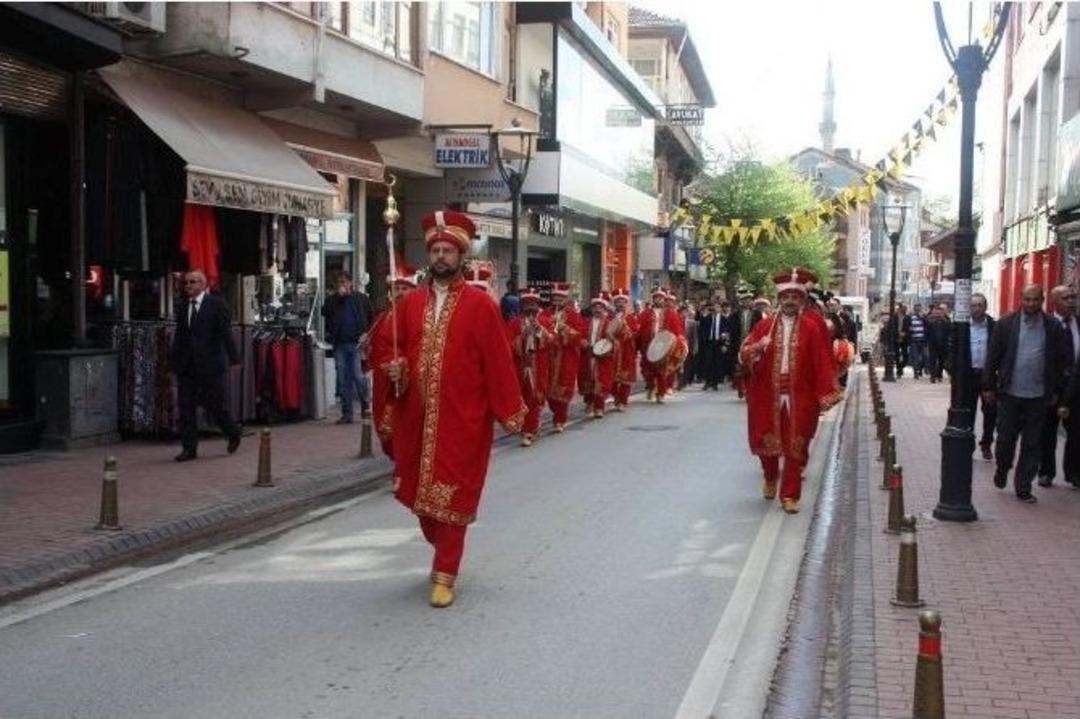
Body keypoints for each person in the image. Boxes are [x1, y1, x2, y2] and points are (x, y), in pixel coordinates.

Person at [375, 210, 525, 607]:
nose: (441, 256)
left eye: (448, 250)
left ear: (461, 255)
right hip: (416, 417)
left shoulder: (481, 306)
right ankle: (439, 546)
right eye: (436, 249)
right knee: (424, 503)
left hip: (464, 419)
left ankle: (445, 573)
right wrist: (396, 369)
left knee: (454, 497)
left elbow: (498, 361)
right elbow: (396, 351)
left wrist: (511, 410)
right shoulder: (408, 305)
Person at [738, 267, 842, 514]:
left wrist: (825, 393)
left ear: (801, 300)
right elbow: (743, 354)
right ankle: (770, 476)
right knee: (766, 442)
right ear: (779, 300)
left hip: (800, 396)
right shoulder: (764, 327)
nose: (790, 301)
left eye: (795, 297)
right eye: (786, 298)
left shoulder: (811, 327)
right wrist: (756, 349)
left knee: (797, 444)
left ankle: (790, 495)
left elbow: (821, 362)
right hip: (767, 394)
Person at [983, 284, 1071, 504]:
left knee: (1032, 443)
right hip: (1010, 393)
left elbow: (1060, 362)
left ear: (1042, 300)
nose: (1031, 304)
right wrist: (988, 387)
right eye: (1027, 299)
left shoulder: (1052, 327)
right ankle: (1003, 468)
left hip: (1039, 396)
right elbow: (992, 357)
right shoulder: (1005, 325)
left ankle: (1023, 486)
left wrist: (1057, 392)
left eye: (1035, 300)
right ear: (1021, 299)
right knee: (1005, 441)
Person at [170, 269, 242, 462]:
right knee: (186, 408)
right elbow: (180, 336)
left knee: (215, 406)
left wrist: (234, 358)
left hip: (209, 365)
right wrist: (174, 362)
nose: (188, 286)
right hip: (187, 366)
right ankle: (189, 449)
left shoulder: (215, 305)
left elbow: (226, 333)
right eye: (186, 283)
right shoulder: (183, 306)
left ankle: (232, 431)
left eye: (192, 282)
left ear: (202, 284)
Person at [366, 272, 419, 458]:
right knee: (385, 427)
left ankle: (407, 470)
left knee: (409, 427)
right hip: (384, 382)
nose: (400, 292)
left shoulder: (420, 317)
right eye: (397, 288)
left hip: (410, 382)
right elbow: (375, 348)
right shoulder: (383, 317)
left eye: (405, 288)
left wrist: (404, 364)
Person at [1038, 285, 1080, 487]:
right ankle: (1046, 471)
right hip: (1053, 387)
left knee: (1076, 432)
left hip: (1076, 387)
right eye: (1066, 298)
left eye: (1073, 297)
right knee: (1048, 432)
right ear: (1054, 301)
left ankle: (1073, 472)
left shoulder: (1078, 323)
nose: (1071, 301)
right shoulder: (1046, 325)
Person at [322, 270, 374, 423]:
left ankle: (365, 405)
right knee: (343, 377)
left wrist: (366, 334)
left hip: (357, 344)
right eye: (339, 283)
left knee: (358, 376)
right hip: (340, 344)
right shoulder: (333, 300)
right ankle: (347, 413)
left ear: (350, 283)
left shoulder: (360, 298)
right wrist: (338, 298)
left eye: (344, 282)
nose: (342, 285)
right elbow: (325, 313)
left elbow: (371, 316)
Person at [506, 288, 553, 446]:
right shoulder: (514, 323)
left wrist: (540, 331)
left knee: (534, 398)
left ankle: (529, 430)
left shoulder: (545, 321)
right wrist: (523, 336)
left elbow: (552, 341)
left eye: (533, 304)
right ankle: (525, 426)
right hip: (520, 366)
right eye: (527, 304)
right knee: (521, 398)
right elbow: (508, 344)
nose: (530, 307)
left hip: (537, 366)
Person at [543, 282, 586, 433]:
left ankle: (560, 419)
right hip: (548, 356)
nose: (556, 300)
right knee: (547, 389)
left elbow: (580, 334)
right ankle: (555, 412)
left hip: (566, 356)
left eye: (560, 297)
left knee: (563, 388)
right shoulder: (545, 313)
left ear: (565, 299)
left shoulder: (573, 314)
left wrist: (565, 329)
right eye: (554, 297)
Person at [637, 288, 686, 403]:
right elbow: (640, 330)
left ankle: (661, 394)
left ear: (664, 300)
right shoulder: (645, 313)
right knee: (647, 371)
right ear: (653, 299)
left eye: (661, 298)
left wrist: (679, 341)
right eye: (656, 298)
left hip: (663, 347)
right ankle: (651, 387)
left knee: (662, 372)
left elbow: (677, 330)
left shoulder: (671, 313)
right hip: (648, 346)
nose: (659, 300)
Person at [966, 293, 997, 461]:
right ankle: (968, 444)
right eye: (973, 305)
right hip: (969, 376)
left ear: (985, 307)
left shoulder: (994, 326)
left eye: (980, 305)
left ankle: (986, 444)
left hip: (988, 376)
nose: (977, 309)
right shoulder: (963, 327)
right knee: (968, 412)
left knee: (991, 412)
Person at [579, 294, 615, 418]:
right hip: (587, 356)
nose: (597, 309)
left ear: (604, 309)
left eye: (600, 307)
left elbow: (613, 340)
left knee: (601, 381)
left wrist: (609, 344)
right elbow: (580, 335)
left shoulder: (609, 323)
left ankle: (599, 407)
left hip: (602, 358)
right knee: (587, 380)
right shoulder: (585, 321)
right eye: (595, 306)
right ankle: (589, 402)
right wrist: (582, 341)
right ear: (592, 308)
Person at [609, 289, 639, 410]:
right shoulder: (610, 316)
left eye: (623, 301)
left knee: (626, 378)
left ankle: (623, 400)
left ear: (626, 303)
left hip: (627, 350)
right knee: (610, 377)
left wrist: (626, 330)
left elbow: (635, 333)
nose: (620, 304)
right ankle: (616, 396)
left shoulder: (631, 317)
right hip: (612, 350)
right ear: (614, 303)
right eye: (618, 301)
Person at [926, 303, 951, 383]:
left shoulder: (946, 320)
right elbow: (926, 329)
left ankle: (939, 375)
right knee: (932, 360)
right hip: (933, 344)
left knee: (941, 361)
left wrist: (944, 317)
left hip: (943, 344)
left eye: (939, 312)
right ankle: (932, 376)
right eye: (936, 312)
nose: (938, 314)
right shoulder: (930, 320)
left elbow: (949, 328)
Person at [903, 304, 928, 379]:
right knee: (915, 357)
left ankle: (920, 369)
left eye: (919, 309)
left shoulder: (923, 317)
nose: (918, 311)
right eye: (917, 309)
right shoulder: (910, 317)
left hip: (922, 340)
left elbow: (928, 325)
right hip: (914, 340)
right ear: (914, 309)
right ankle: (916, 372)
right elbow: (905, 328)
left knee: (925, 356)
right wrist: (908, 332)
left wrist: (923, 318)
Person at [681, 302, 700, 389]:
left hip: (689, 345)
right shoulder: (679, 320)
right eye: (685, 311)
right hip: (681, 345)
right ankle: (681, 381)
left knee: (687, 364)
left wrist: (695, 346)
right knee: (681, 364)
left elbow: (695, 336)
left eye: (687, 311)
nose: (686, 313)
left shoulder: (693, 323)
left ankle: (685, 381)